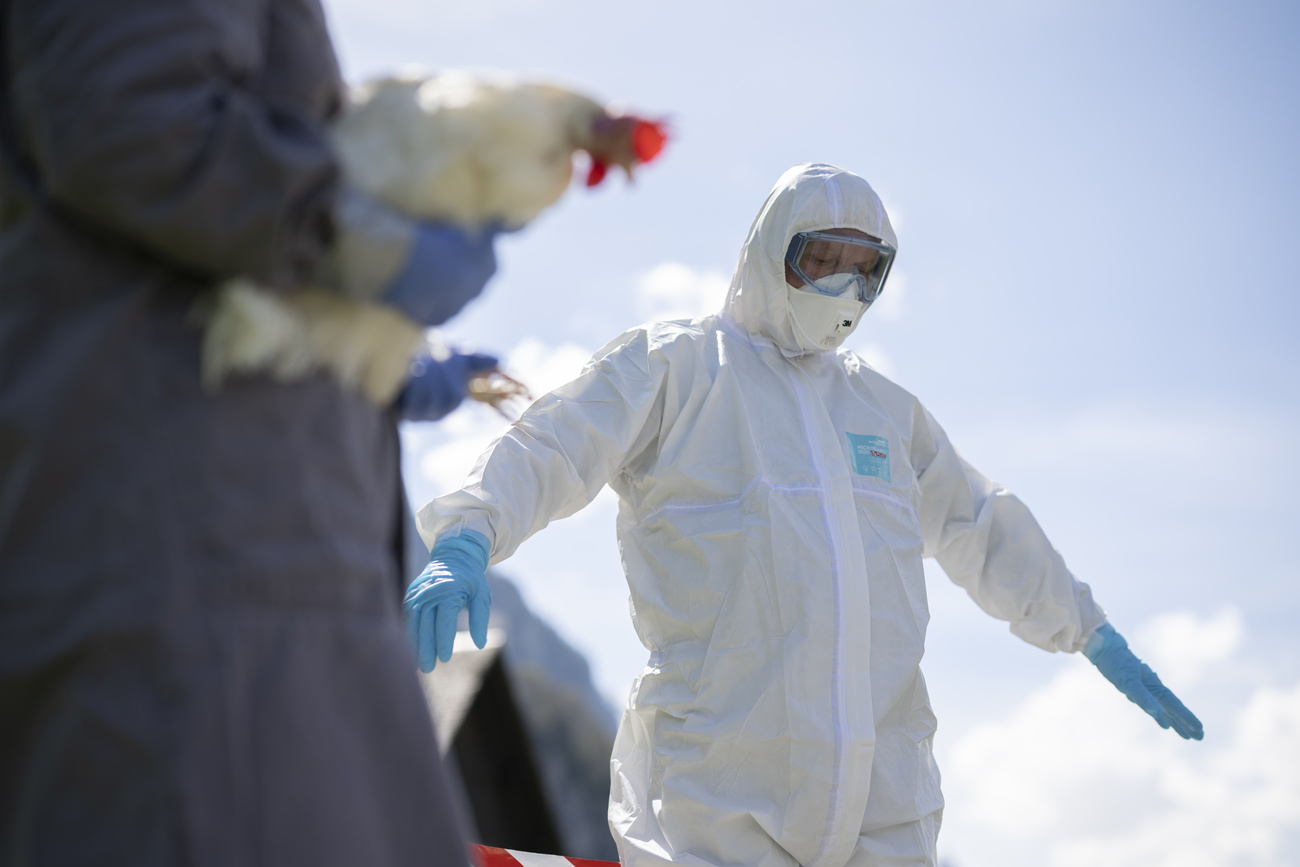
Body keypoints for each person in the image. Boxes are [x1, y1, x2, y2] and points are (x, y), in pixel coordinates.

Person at [406, 163, 1204, 867]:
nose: (843, 288)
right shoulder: (679, 367)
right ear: (771, 251)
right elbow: (555, 441)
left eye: (867, 270)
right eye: (823, 259)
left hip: (886, 813)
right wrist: (471, 530)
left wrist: (1086, 626)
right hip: (715, 803)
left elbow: (981, 521)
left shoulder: (885, 413)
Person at [0, 1, 497, 864]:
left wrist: (394, 365)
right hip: (198, 566)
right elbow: (135, 121)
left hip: (259, 571)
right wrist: (360, 239)